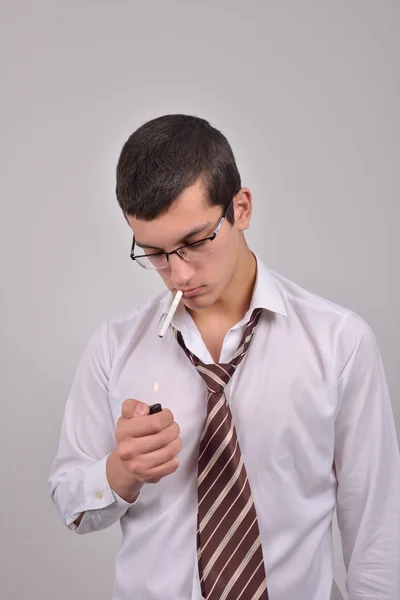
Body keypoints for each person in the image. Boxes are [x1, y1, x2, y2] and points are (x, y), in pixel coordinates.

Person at [49, 114, 400, 600]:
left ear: (241, 208)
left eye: (194, 242)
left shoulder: (340, 344)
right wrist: (120, 472)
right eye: (154, 252)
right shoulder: (115, 347)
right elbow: (71, 503)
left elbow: (377, 531)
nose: (177, 273)